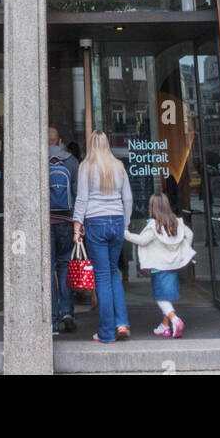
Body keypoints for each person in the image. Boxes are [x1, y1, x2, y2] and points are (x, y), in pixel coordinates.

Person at [73, 129, 133, 343]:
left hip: (96, 222)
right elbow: (128, 198)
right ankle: (122, 323)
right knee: (113, 272)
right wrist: (125, 223)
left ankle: (106, 333)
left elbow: (82, 198)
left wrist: (77, 226)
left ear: (91, 145)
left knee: (102, 276)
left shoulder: (86, 167)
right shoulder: (118, 166)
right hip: (116, 220)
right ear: (107, 144)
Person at [124, 193, 195, 339]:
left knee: (161, 298)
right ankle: (165, 326)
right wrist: (182, 250)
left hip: (159, 268)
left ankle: (175, 319)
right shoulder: (176, 222)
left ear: (152, 207)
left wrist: (125, 234)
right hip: (172, 266)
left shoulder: (154, 226)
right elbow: (190, 234)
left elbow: (142, 241)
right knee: (166, 296)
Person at [48, 125, 79, 336]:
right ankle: (68, 312)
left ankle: (52, 321)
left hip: (46, 222)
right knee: (65, 265)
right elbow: (77, 193)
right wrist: (78, 221)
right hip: (67, 221)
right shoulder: (71, 161)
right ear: (59, 141)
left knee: (49, 270)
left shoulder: (36, 159)